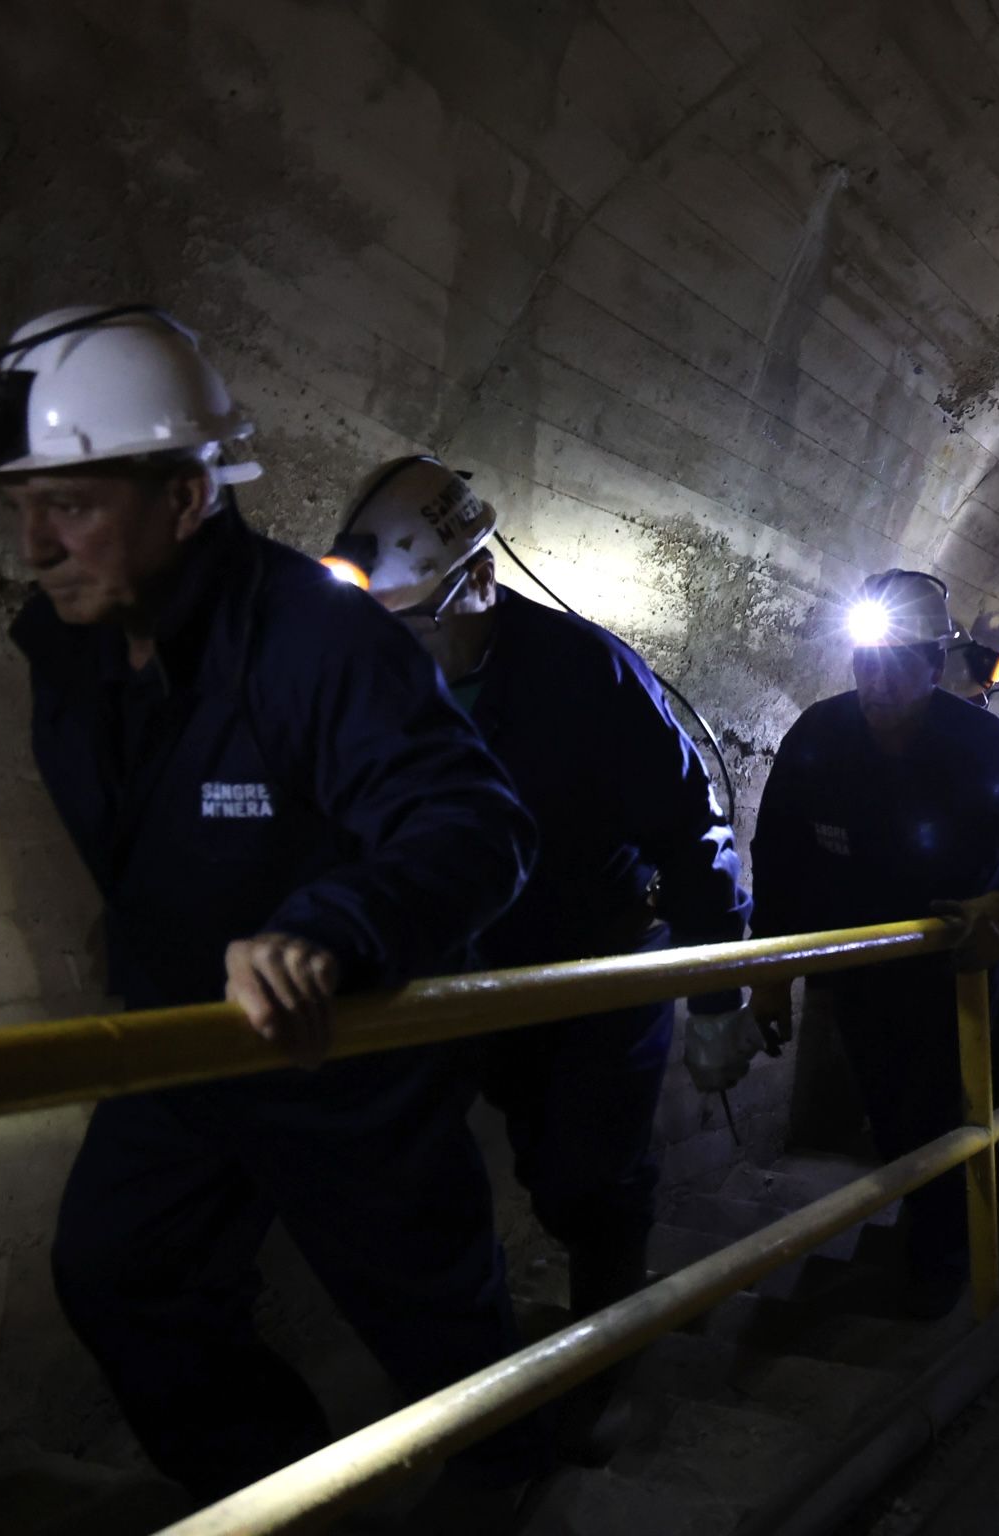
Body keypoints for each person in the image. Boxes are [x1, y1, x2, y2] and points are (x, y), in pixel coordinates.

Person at [0, 307, 544, 1507]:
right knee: (118, 1279)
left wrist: (330, 927)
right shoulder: (74, 643)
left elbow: (474, 821)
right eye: (25, 503)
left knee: (446, 1349)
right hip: (187, 1048)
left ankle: (502, 1492)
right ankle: (278, 1498)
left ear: (190, 498)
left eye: (78, 503)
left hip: (344, 1066)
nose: (37, 542)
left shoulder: (318, 633)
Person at [325, 455, 750, 1370]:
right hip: (467, 974)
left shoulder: (584, 675)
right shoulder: (375, 683)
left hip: (598, 968)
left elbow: (690, 828)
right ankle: (502, 1375)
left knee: (586, 1179)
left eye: (412, 628)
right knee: (465, 1173)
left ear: (480, 579)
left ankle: (612, 1358)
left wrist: (720, 992)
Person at [748, 570, 999, 1315]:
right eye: (867, 661)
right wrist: (769, 975)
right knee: (895, 1118)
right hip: (863, 973)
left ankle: (942, 1266)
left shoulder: (980, 744)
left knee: (946, 1112)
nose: (878, 681)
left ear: (934, 667)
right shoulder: (818, 738)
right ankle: (932, 1237)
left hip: (953, 968)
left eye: (899, 664)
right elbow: (780, 862)